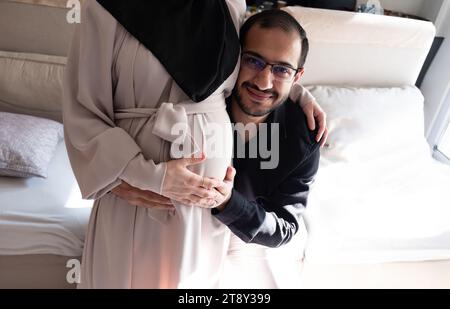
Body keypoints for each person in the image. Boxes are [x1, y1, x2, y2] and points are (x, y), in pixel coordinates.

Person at [63, 0, 326, 288]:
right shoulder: (101, 8)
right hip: (139, 192)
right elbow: (82, 109)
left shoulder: (230, 4)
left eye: (284, 71)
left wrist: (297, 93)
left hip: (207, 215)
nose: (265, 80)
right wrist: (146, 175)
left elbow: (248, 62)